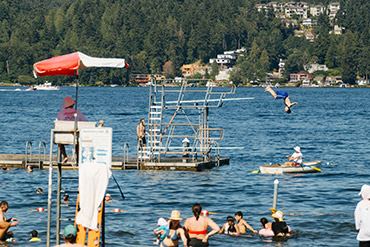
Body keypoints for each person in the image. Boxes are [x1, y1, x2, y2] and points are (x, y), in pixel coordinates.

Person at [56, 96, 88, 163]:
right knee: (77, 141)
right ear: (72, 104)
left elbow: (57, 124)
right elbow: (86, 122)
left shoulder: (60, 113)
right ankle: (78, 158)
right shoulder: (77, 112)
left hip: (63, 138)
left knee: (58, 139)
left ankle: (65, 156)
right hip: (75, 138)